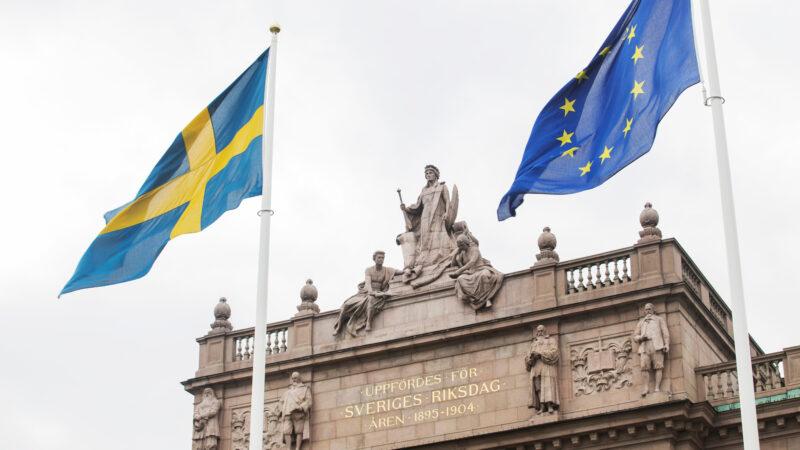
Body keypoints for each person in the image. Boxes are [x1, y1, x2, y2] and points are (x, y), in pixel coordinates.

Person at [400, 165, 457, 283]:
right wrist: (406, 209)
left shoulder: (442, 187)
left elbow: (447, 201)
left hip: (438, 216)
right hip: (425, 218)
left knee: (438, 237)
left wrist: (447, 213)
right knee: (425, 239)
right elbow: (418, 207)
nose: (428, 175)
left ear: (436, 174)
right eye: (426, 173)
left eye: (430, 173)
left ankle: (440, 256)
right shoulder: (424, 190)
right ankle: (425, 260)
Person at [333, 251, 402, 337]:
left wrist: (407, 271)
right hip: (365, 293)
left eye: (382, 258)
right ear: (374, 259)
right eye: (379, 258)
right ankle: (339, 326)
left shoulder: (387, 270)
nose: (381, 260)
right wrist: (371, 292)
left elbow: (398, 272)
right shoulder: (369, 270)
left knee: (371, 299)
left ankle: (368, 323)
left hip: (378, 293)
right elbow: (368, 284)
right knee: (346, 305)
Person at [448, 234, 503, 310]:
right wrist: (455, 254)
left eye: (461, 245)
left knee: (484, 275)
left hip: (481, 269)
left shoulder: (474, 249)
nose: (461, 247)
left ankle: (487, 299)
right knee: (460, 279)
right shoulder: (462, 252)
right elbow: (453, 264)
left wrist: (458, 271)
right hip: (471, 273)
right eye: (459, 246)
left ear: (466, 243)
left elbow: (472, 262)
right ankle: (476, 299)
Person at [633, 302, 670, 396]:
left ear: (653, 310)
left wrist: (666, 344)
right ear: (644, 311)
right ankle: (646, 388)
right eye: (646, 309)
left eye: (649, 309)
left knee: (658, 366)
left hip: (657, 346)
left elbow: (665, 332)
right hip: (645, 346)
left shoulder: (659, 320)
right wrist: (641, 338)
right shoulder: (641, 322)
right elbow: (635, 336)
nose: (648, 311)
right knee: (644, 367)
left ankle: (657, 387)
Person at [525, 325, 560, 416]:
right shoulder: (533, 344)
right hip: (536, 367)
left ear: (544, 331)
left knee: (547, 385)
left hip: (546, 365)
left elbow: (554, 352)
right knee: (538, 387)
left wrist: (540, 354)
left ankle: (549, 406)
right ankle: (541, 406)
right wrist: (531, 359)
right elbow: (527, 358)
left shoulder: (550, 340)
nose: (539, 333)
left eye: (541, 331)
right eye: (538, 331)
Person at [278, 372, 313, 450]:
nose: (294, 380)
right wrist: (281, 410)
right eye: (293, 378)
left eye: (295, 378)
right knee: (286, 431)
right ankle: (288, 448)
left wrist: (301, 407)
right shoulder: (288, 392)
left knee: (299, 431)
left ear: (299, 378)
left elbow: (309, 401)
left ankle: (297, 448)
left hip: (298, 413)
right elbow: (281, 402)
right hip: (287, 413)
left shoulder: (305, 389)